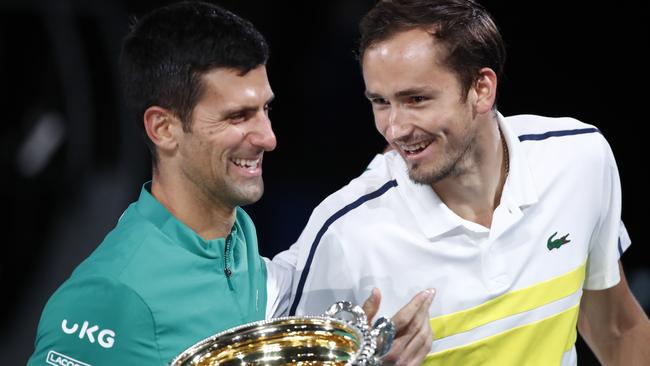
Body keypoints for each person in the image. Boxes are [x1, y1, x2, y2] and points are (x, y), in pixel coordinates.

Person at [27, 2, 432, 365]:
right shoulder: (112, 295)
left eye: (265, 109)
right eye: (238, 116)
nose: (268, 137)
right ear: (163, 128)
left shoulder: (237, 240)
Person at [274, 0, 650, 365]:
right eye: (381, 102)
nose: (395, 128)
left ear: (481, 89)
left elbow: (617, 328)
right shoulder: (344, 233)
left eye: (416, 99)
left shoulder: (580, 160)